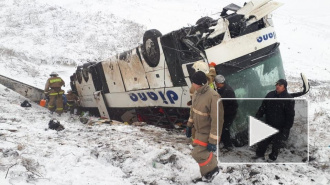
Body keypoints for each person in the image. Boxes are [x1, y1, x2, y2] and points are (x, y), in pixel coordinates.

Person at [185, 71, 224, 182]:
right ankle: (207, 174)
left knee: (197, 154)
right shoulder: (197, 93)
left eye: (194, 83)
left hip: (207, 132)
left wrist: (213, 140)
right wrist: (189, 125)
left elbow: (217, 120)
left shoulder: (213, 96)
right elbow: (193, 111)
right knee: (199, 154)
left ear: (200, 83)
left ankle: (213, 169)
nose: (192, 85)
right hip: (197, 131)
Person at [253, 79, 295, 161]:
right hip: (269, 123)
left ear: (284, 87)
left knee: (276, 144)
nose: (277, 86)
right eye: (277, 85)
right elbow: (263, 107)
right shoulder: (270, 95)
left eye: (280, 85)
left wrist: (287, 128)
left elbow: (290, 115)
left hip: (281, 126)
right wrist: (258, 115)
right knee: (263, 141)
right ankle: (259, 155)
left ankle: (272, 158)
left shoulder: (288, 99)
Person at [215, 75, 238, 150]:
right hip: (225, 112)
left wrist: (223, 111)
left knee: (225, 128)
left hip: (229, 114)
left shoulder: (228, 91)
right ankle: (224, 141)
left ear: (218, 83)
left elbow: (231, 104)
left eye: (216, 83)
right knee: (223, 128)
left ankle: (228, 145)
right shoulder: (221, 89)